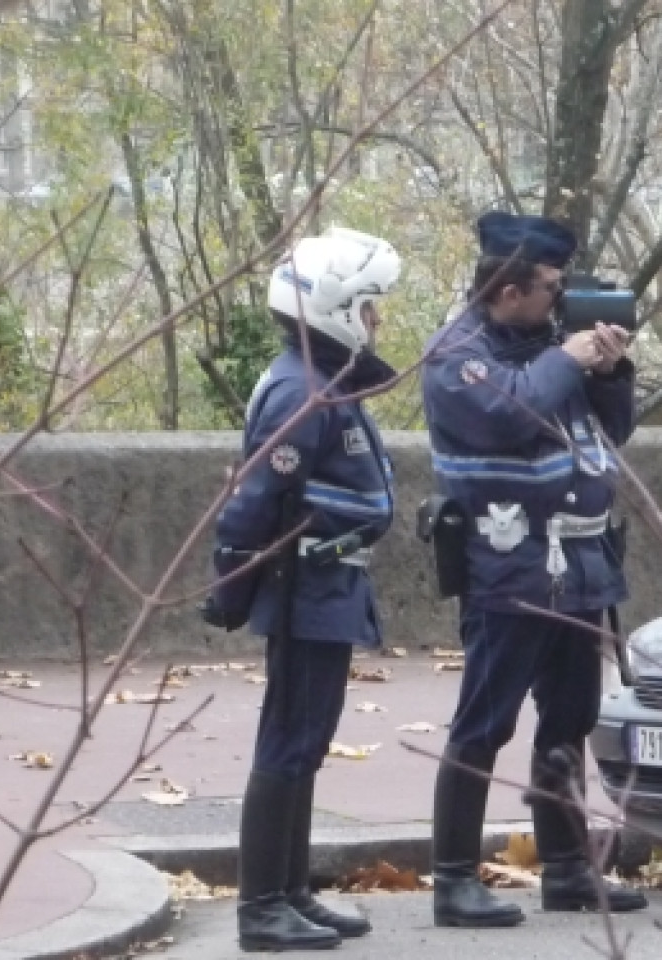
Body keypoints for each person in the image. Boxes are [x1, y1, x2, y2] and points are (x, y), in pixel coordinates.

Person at [420, 211, 648, 927]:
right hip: (508, 567)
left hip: (580, 563)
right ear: (508, 288)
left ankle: (568, 870)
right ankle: (454, 878)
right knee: (483, 724)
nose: (563, 300)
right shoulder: (458, 355)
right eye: (552, 287)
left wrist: (609, 372)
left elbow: (611, 430)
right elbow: (507, 415)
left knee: (569, 720)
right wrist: (569, 360)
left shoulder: (554, 344)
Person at [212, 226, 401, 952]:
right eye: (370, 308)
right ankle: (261, 906)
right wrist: (233, 577)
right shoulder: (301, 388)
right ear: (336, 309)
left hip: (330, 587)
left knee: (308, 741)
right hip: (302, 590)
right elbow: (256, 500)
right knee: (288, 740)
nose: (377, 323)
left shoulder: (325, 382)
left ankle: (290, 891)